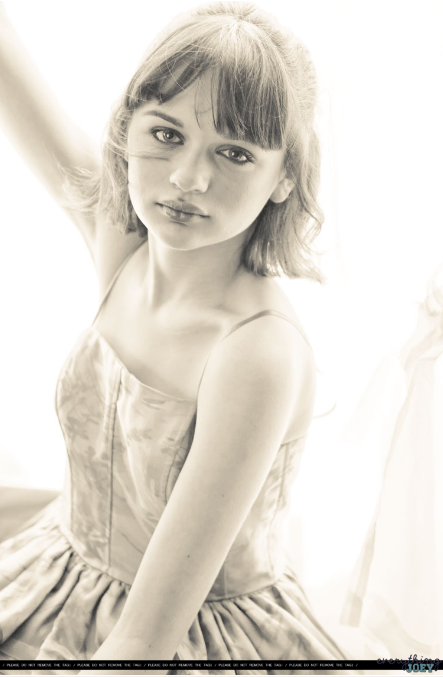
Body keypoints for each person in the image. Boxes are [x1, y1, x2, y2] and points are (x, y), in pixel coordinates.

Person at [0, 2, 355, 673]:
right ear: (126, 130)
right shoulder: (122, 240)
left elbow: (143, 641)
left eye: (235, 153)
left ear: (285, 176)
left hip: (183, 635)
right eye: (166, 135)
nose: (189, 178)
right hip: (59, 567)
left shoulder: (255, 353)